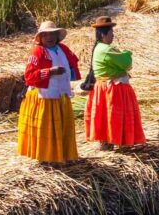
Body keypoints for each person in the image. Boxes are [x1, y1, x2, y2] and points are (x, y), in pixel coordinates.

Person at [17, 21, 80, 162]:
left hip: (61, 94)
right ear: (40, 38)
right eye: (45, 35)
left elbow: (73, 62)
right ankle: (46, 157)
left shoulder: (63, 49)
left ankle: (61, 155)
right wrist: (50, 72)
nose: (49, 37)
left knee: (60, 127)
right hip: (44, 96)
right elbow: (29, 76)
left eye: (52, 34)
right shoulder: (37, 52)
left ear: (57, 36)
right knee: (47, 128)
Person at [84, 16, 145, 149]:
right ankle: (115, 142)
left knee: (107, 116)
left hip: (105, 86)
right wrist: (127, 53)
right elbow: (127, 63)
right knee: (113, 116)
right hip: (112, 88)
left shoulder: (100, 48)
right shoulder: (106, 50)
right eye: (111, 32)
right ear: (102, 34)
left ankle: (108, 143)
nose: (113, 35)